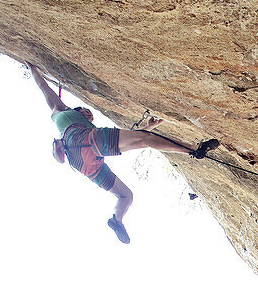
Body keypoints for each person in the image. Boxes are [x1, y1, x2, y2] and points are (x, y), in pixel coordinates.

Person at [28, 62, 218, 244]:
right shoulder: (62, 113)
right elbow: (45, 90)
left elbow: (126, 139)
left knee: (126, 196)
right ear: (77, 111)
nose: (89, 115)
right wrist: (32, 68)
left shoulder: (79, 126)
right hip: (82, 141)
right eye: (87, 112)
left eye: (90, 115)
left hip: (87, 166)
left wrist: (148, 127)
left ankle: (116, 220)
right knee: (143, 140)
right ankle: (194, 149)